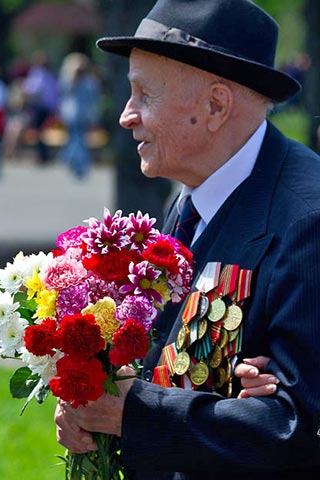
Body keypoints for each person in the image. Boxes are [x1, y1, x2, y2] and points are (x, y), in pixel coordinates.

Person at [54, 1, 320, 478]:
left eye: (144, 94)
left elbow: (300, 429)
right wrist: (96, 407)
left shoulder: (307, 220)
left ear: (216, 106)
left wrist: (132, 414)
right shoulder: (192, 196)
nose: (127, 115)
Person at [57, 52, 101, 179]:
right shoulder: (70, 81)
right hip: (72, 115)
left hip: (81, 116)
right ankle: (75, 161)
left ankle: (71, 159)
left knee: (77, 139)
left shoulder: (89, 82)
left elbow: (94, 99)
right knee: (76, 139)